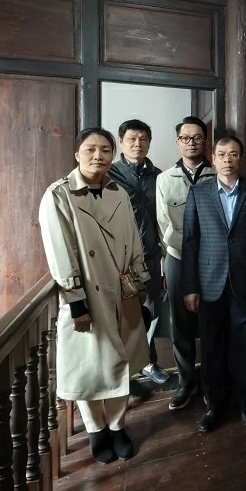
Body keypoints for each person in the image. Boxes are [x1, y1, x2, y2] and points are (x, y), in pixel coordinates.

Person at [39, 128, 149, 464]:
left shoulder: (118, 193)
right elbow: (61, 253)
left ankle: (117, 426)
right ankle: (95, 430)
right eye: (91, 149)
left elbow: (133, 239)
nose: (98, 156)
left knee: (120, 363)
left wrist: (139, 280)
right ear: (77, 153)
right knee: (89, 367)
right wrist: (76, 301)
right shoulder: (59, 195)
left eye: (105, 150)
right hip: (87, 294)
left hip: (122, 290)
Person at [182, 135, 246, 433]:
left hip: (244, 284)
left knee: (244, 346)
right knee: (212, 348)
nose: (228, 159)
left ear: (240, 159)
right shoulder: (199, 192)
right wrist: (190, 287)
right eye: (222, 154)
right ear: (214, 158)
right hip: (208, 284)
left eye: (234, 154)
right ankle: (214, 405)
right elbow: (190, 241)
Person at [156, 116, 216, 411]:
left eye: (197, 138)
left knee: (210, 319)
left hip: (211, 257)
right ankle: (185, 382)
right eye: (186, 138)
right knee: (180, 321)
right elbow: (162, 221)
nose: (192, 142)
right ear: (178, 141)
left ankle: (210, 381)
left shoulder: (217, 174)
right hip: (178, 256)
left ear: (206, 142)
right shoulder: (165, 179)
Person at [108, 119, 167, 385]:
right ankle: (123, 369)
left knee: (152, 310)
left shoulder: (159, 176)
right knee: (122, 314)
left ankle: (148, 362)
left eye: (143, 139)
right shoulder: (110, 174)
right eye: (132, 138)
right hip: (120, 259)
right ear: (121, 142)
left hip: (152, 255)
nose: (137, 144)